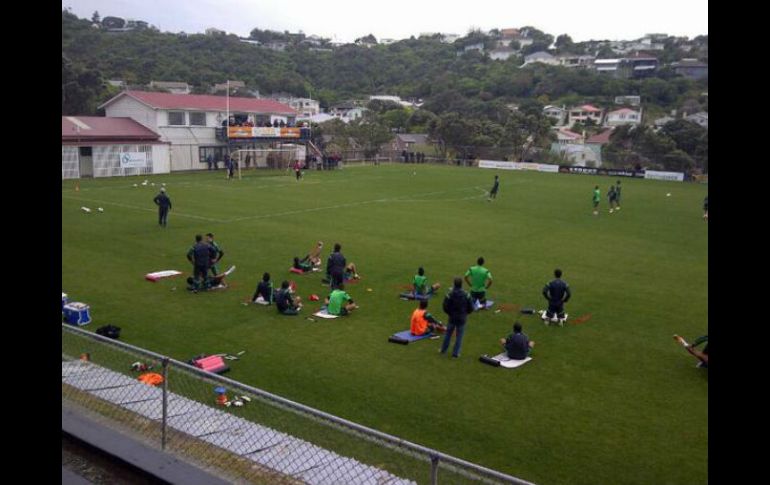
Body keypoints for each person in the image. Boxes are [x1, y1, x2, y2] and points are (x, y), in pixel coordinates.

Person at [440, 278, 474, 358]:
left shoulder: (449, 294)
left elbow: (445, 306)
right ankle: (455, 354)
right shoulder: (467, 295)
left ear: (454, 284)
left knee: (448, 334)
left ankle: (443, 350)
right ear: (461, 284)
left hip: (452, 317)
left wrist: (449, 313)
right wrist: (465, 313)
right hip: (462, 318)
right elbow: (471, 307)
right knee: (459, 336)